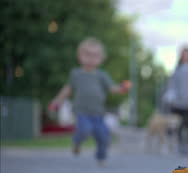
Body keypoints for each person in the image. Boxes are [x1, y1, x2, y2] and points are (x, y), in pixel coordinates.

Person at [49, 37, 131, 165]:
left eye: (95, 55)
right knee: (85, 129)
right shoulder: (76, 74)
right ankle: (77, 142)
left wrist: (122, 88)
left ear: (101, 58)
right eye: (87, 54)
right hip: (81, 112)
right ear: (79, 56)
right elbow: (67, 89)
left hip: (98, 113)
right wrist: (57, 100)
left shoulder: (101, 75)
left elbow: (112, 88)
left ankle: (101, 157)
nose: (91, 58)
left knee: (104, 136)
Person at [164, 46, 188, 153]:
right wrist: (171, 95)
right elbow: (172, 84)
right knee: (178, 125)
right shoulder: (177, 70)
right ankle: (180, 145)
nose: (185, 57)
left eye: (187, 54)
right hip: (178, 103)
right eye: (183, 55)